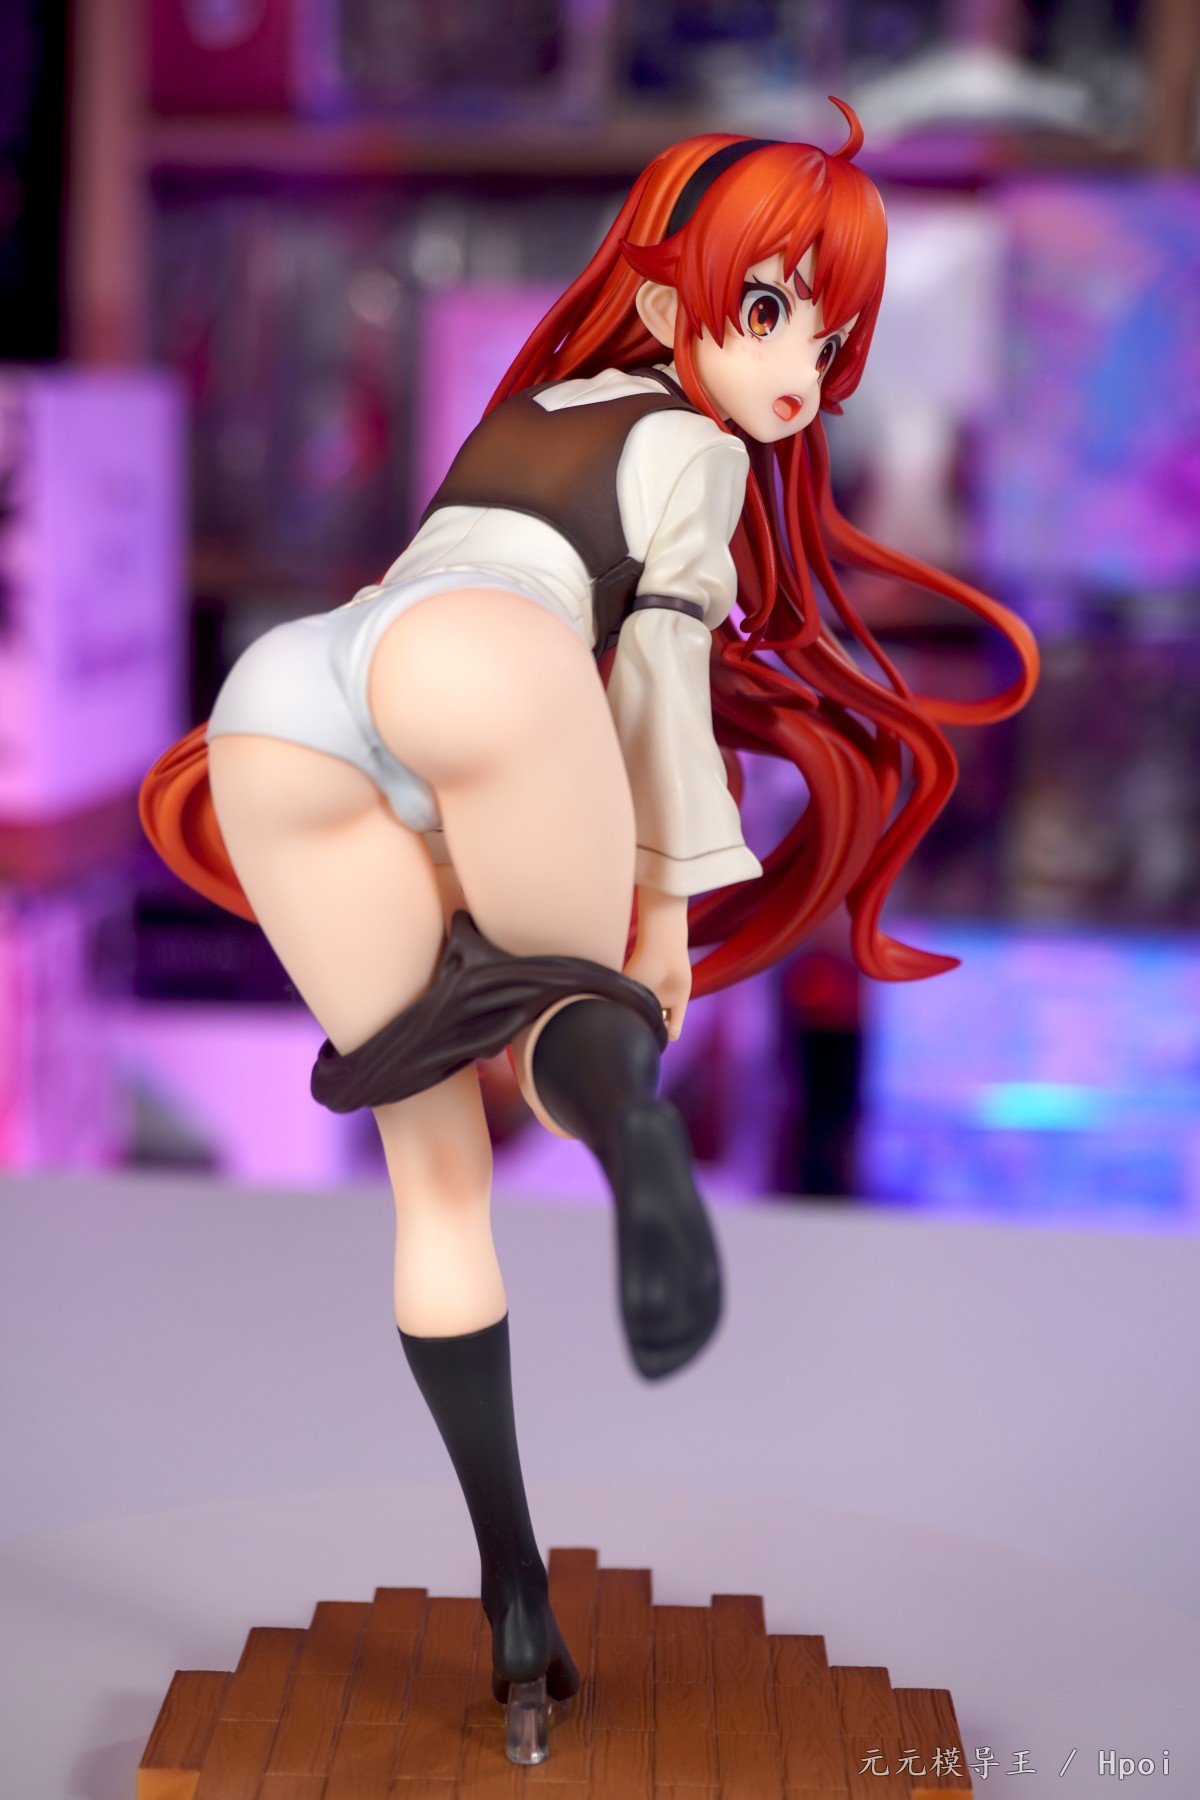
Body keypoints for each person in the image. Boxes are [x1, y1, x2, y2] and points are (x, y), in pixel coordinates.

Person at [139, 100, 1039, 1756]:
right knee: (581, 1007)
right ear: (676, 289)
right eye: (769, 311)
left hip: (288, 697)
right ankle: (633, 1135)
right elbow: (660, 679)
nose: (800, 369)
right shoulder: (699, 451)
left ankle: (515, 1600)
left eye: (833, 338)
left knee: (434, 1175)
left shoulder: (531, 405)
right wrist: (667, 917)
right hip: (482, 661)